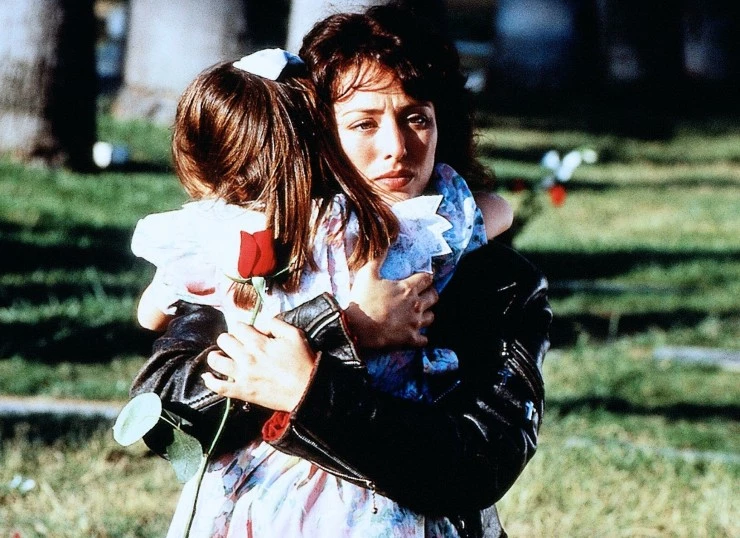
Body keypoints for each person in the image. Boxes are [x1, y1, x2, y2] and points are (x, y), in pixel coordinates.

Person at [131, 4, 551, 538]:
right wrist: (340, 328)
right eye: (363, 123)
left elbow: (477, 462)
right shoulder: (262, 244)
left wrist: (314, 394)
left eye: (416, 118)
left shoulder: (495, 279)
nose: (396, 148)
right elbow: (166, 413)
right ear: (316, 134)